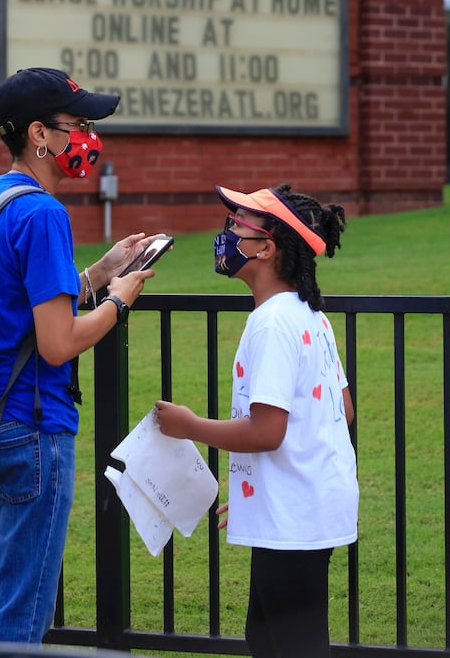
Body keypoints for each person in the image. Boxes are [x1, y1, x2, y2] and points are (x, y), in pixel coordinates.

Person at [0, 67, 156, 643]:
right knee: (21, 619)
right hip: (34, 432)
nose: (87, 137)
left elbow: (11, 305)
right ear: (40, 134)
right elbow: (57, 341)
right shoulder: (43, 214)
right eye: (78, 124)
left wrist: (97, 272)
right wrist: (117, 301)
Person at [155, 183, 359, 658]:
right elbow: (342, 410)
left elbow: (268, 431)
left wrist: (188, 425)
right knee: (267, 639)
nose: (224, 235)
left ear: (267, 249)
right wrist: (263, 491)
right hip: (300, 507)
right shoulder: (309, 316)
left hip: (296, 518)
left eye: (235, 227)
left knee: (293, 646)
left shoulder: (271, 324)